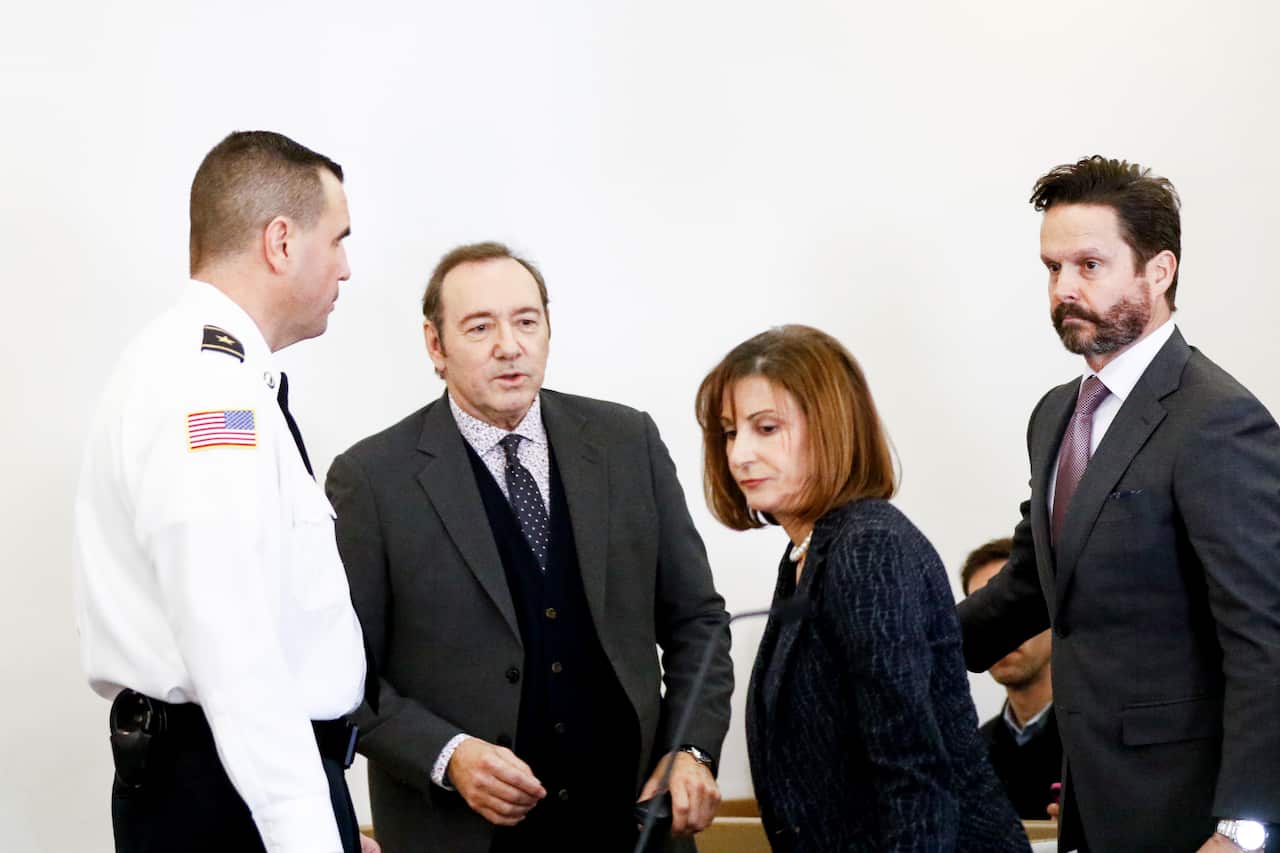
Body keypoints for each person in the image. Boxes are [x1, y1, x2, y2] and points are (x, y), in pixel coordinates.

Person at [326, 241, 733, 852]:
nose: (508, 346)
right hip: (466, 834)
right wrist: (447, 755)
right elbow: (343, 677)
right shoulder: (371, 480)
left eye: (526, 321)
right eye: (478, 327)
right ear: (435, 346)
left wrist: (692, 748)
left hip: (633, 827)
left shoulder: (629, 443)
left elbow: (697, 620)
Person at [957, 156, 1280, 853]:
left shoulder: (1218, 420)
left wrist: (1245, 828)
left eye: (1088, 266)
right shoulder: (1053, 417)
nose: (1064, 288)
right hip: (1086, 805)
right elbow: (1029, 588)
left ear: (1158, 272)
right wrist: (897, 644)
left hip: (1192, 817)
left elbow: (1266, 638)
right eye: (1052, 268)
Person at [72, 131, 379, 852]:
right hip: (226, 798)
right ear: (280, 242)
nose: (346, 267)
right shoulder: (206, 389)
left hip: (234, 786)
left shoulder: (208, 372)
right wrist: (305, 831)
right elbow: (231, 638)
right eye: (337, 239)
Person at [695, 325, 1028, 852]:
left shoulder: (868, 547)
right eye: (730, 433)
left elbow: (912, 767)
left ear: (831, 427)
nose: (739, 455)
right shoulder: (807, 549)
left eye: (766, 428)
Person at [960, 538, 1061, 820]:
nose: (997, 629)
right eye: (981, 613)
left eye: (1011, 611)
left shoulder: (1097, 741)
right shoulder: (971, 752)